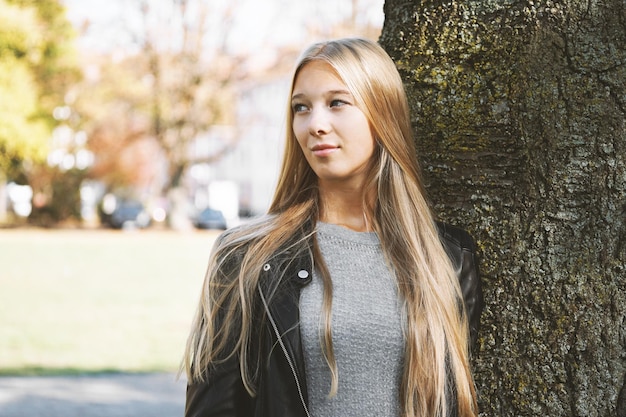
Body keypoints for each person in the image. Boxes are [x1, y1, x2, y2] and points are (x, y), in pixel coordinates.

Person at [182, 37, 483, 417]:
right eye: (301, 108)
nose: (315, 125)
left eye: (336, 103)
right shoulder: (246, 255)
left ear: (383, 112)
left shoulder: (450, 257)